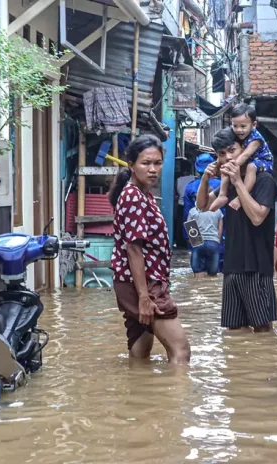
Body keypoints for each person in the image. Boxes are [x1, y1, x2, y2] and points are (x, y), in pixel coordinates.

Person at [108, 135, 191, 364]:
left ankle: (140, 398)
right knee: (181, 351)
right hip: (144, 283)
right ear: (131, 165)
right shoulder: (134, 196)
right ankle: (175, 400)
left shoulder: (142, 194)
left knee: (140, 353)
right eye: (146, 163)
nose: (153, 169)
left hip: (136, 281)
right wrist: (144, 297)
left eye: (157, 163)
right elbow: (134, 249)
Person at [196, 128, 277, 332]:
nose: (228, 157)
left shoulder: (263, 179)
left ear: (243, 149)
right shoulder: (226, 184)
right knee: (234, 331)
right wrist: (206, 179)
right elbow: (202, 206)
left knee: (261, 329)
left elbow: (258, 217)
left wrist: (238, 182)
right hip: (232, 265)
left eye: (232, 150)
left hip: (256, 266)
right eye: (222, 154)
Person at [210, 104, 274, 212]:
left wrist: (232, 166)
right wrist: (218, 165)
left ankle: (241, 197)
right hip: (250, 161)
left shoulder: (256, 139)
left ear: (254, 125)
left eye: (243, 126)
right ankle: (222, 195)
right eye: (235, 126)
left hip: (264, 162)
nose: (239, 130)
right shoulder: (237, 136)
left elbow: (245, 155)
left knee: (250, 167)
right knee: (228, 165)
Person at [187, 206, 223, 277]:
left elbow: (190, 230)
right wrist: (218, 240)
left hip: (198, 242)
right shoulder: (218, 211)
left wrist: (193, 243)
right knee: (213, 274)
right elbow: (220, 229)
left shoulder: (193, 211)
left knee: (198, 273)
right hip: (213, 242)